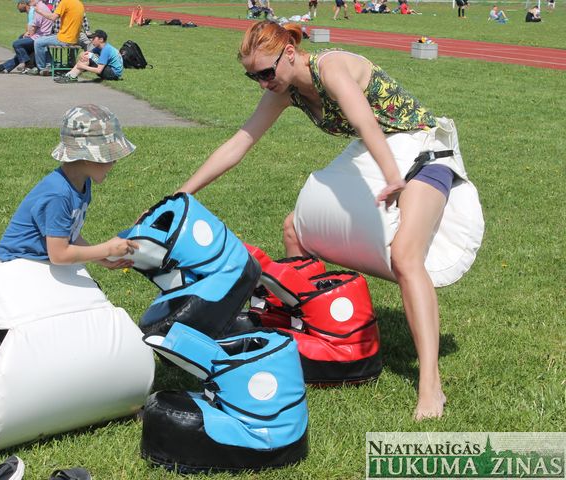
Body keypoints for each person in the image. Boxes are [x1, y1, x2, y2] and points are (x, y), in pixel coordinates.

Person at [177, 21, 482, 421]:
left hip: (423, 149)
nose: (263, 83)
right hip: (375, 152)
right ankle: (315, 331)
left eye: (266, 72)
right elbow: (240, 142)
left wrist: (393, 177)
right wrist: (183, 193)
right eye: (254, 77)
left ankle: (430, 384)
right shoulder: (284, 90)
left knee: (406, 256)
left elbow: (365, 121)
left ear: (290, 53)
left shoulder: (331, 67)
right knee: (295, 228)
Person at [0, 104, 139, 465]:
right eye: (109, 156)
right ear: (85, 155)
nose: (114, 162)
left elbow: (68, 234)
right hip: (14, 285)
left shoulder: (81, 184)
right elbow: (58, 252)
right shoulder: (56, 193)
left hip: (42, 281)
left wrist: (98, 257)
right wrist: (106, 248)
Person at [0, 0, 52, 73]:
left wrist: (28, 34)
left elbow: (34, 27)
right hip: (41, 35)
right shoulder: (40, 7)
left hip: (41, 37)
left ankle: (26, 64)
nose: (28, 1)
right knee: (25, 47)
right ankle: (5, 67)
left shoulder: (38, 9)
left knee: (17, 44)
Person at [29, 0, 83, 75]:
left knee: (38, 42)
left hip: (65, 38)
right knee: (44, 40)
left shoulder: (65, 2)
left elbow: (53, 17)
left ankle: (41, 68)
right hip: (75, 38)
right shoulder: (79, 3)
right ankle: (49, 65)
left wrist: (39, 11)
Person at [55, 29, 122, 83]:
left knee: (90, 56)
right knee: (87, 55)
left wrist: (83, 66)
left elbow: (99, 70)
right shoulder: (100, 47)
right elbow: (87, 53)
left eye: (93, 38)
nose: (91, 40)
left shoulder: (106, 50)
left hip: (113, 74)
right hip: (110, 71)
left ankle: (71, 76)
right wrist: (82, 54)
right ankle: (70, 75)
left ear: (101, 40)